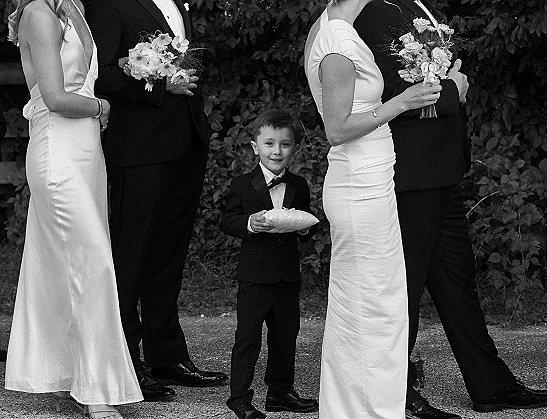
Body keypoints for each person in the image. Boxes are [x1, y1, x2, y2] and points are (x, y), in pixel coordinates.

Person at [354, 1, 547, 418]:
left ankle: (490, 384)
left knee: (454, 277)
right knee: (405, 287)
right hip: (413, 170)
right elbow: (391, 89)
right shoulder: (373, 12)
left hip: (440, 167)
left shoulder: (413, 5)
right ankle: (397, 393)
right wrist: (453, 89)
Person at [81, 0, 228, 402]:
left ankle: (168, 357)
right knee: (131, 259)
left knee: (168, 257)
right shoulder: (109, 6)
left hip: (186, 142)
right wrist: (162, 86)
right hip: (139, 150)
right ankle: (127, 362)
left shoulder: (178, 4)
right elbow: (104, 77)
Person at [4, 0, 143, 418]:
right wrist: (101, 107)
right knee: (92, 264)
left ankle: (70, 374)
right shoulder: (38, 14)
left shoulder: (74, 7)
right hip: (57, 151)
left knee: (71, 265)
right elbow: (56, 97)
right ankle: (97, 388)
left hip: (86, 153)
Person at [304, 0, 443, 417]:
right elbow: (337, 129)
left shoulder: (334, 28)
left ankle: (363, 406)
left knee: (376, 302)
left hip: (373, 179)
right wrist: (401, 103)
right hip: (357, 186)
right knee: (372, 305)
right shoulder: (335, 43)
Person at [220, 109, 319, 419]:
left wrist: (304, 227)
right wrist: (249, 223)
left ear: (294, 148)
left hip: (287, 274)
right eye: (270, 144)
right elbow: (227, 221)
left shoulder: (299, 185)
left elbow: (306, 223)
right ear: (255, 147)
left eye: (285, 144)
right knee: (247, 337)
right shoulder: (242, 184)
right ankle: (239, 398)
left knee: (285, 335)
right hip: (254, 275)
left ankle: (280, 392)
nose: (277, 151)